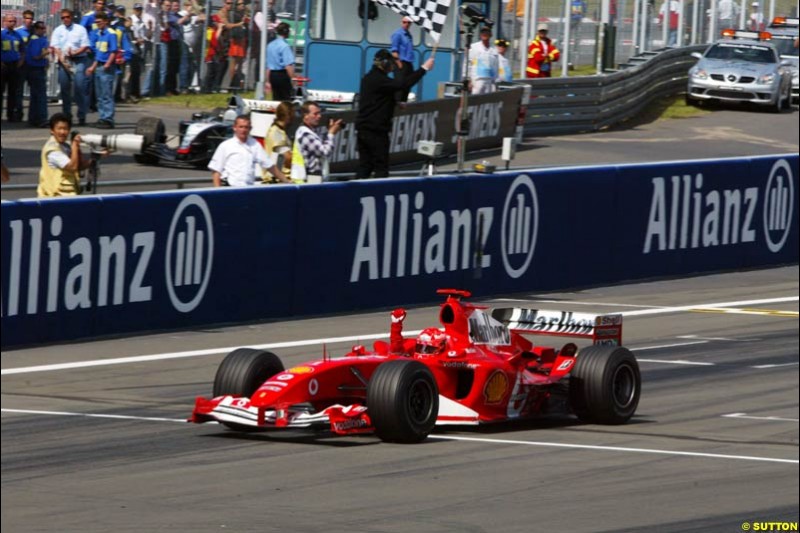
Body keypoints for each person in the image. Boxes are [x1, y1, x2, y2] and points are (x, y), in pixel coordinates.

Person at [354, 49, 434, 180]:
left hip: (364, 129)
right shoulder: (379, 79)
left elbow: (378, 98)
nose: (393, 66)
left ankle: (355, 196)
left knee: (366, 166)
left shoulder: (369, 78)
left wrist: (394, 102)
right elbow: (403, 84)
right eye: (391, 62)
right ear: (385, 63)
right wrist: (424, 68)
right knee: (381, 167)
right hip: (376, 130)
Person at [208, 114, 287, 187]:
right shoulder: (225, 146)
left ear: (250, 128)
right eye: (241, 127)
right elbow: (216, 171)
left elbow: (270, 166)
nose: (243, 130)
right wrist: (218, 191)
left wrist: (287, 182)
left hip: (248, 189)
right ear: (234, 127)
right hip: (230, 189)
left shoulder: (255, 145)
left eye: (246, 127)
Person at [50, 9, 91, 126]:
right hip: (64, 60)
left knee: (79, 87)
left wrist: (75, 53)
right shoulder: (58, 30)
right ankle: (67, 115)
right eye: (63, 18)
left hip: (78, 59)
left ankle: (81, 115)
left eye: (67, 17)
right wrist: (63, 60)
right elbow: (55, 47)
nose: (65, 19)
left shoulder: (80, 29)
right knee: (65, 89)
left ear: (71, 17)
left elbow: (85, 46)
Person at [37, 113, 94, 197]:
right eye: (59, 129)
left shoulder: (65, 146)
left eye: (66, 129)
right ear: (52, 130)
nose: (62, 132)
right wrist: (74, 145)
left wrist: (98, 156)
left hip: (66, 195)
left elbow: (79, 166)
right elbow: (73, 167)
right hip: (54, 196)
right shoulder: (52, 150)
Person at [295, 101, 343, 183]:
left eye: (319, 113)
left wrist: (329, 131)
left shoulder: (310, 132)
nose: (319, 116)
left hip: (312, 176)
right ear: (305, 115)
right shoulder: (305, 134)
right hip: (310, 177)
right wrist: (331, 133)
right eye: (315, 114)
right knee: (314, 195)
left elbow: (321, 146)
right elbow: (324, 152)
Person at [87, 12, 118, 129]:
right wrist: (92, 67)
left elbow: (113, 51)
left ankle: (108, 118)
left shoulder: (111, 34)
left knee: (106, 94)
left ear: (105, 21)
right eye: (96, 22)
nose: (97, 24)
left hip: (106, 67)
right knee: (99, 95)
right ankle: (102, 117)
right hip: (98, 66)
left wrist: (108, 64)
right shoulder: (99, 34)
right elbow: (98, 54)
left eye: (99, 22)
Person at [1, 13, 26, 122]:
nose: (12, 23)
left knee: (13, 92)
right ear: (4, 22)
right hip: (3, 66)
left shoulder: (17, 35)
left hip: (14, 66)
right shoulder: (2, 35)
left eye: (14, 21)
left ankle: (10, 115)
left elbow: (22, 50)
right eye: (10, 21)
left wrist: (20, 62)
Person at [25, 21, 49, 128]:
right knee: (40, 96)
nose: (43, 30)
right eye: (41, 28)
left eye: (44, 28)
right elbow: (36, 56)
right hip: (36, 69)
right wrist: (45, 53)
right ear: (36, 29)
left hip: (35, 70)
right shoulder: (36, 40)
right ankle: (41, 118)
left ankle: (33, 118)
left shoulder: (35, 40)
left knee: (35, 95)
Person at [263, 101, 295, 183]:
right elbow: (287, 158)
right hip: (276, 181)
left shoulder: (278, 131)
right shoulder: (277, 134)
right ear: (288, 115)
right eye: (293, 113)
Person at [266, 22, 296, 100]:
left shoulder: (270, 45)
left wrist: (268, 81)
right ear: (286, 32)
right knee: (286, 98)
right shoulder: (285, 46)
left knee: (276, 98)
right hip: (282, 75)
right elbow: (288, 66)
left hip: (272, 75)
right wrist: (293, 79)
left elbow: (269, 66)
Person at [468, 26, 499, 94]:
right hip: (477, 80)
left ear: (491, 35)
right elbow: (468, 63)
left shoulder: (494, 50)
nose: (484, 34)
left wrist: (495, 82)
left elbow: (496, 67)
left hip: (489, 81)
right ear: (480, 34)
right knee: (475, 101)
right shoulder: (474, 47)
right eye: (483, 32)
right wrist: (468, 80)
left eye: (487, 32)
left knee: (488, 101)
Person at [391, 15, 415, 103]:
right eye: (404, 22)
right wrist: (398, 62)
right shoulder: (398, 34)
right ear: (401, 22)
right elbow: (394, 50)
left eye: (408, 23)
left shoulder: (409, 35)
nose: (406, 24)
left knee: (408, 84)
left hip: (408, 62)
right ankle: (397, 102)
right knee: (399, 84)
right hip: (401, 62)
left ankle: (403, 102)